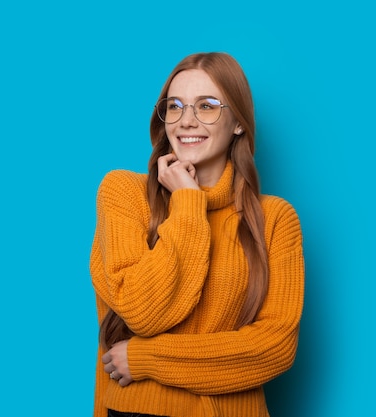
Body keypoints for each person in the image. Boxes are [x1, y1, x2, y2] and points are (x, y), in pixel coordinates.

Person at [89, 52, 304, 417]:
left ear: (238, 121)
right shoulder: (124, 193)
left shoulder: (275, 218)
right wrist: (188, 201)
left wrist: (146, 357)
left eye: (206, 106)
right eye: (175, 107)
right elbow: (144, 312)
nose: (186, 121)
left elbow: (274, 347)